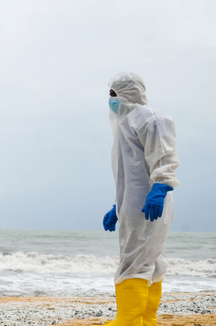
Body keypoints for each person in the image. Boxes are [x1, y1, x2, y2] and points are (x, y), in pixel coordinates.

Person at [100, 72, 179, 326]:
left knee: (133, 260)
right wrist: (118, 205)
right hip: (136, 203)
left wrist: (160, 188)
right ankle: (146, 318)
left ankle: (128, 320)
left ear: (127, 93)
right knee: (150, 259)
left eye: (114, 94)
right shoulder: (126, 125)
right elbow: (130, 173)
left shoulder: (150, 119)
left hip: (149, 201)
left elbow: (163, 157)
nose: (111, 100)